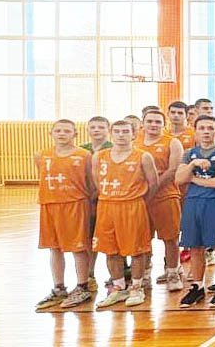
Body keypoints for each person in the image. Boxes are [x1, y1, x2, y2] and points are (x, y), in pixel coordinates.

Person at [93, 121, 158, 308]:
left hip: (132, 206)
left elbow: (153, 183)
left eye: (125, 131)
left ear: (133, 134)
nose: (121, 135)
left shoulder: (143, 156)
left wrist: (137, 200)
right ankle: (119, 287)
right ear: (111, 134)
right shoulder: (99, 156)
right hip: (107, 206)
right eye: (117, 131)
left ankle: (136, 287)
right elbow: (96, 181)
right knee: (110, 249)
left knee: (136, 249)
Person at [174, 115, 215, 308]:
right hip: (193, 203)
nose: (206, 131)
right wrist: (193, 165)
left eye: (210, 128)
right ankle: (197, 286)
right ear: (196, 131)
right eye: (202, 128)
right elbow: (179, 179)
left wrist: (193, 178)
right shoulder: (189, 154)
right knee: (195, 246)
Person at [35, 120, 96, 310]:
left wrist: (89, 205)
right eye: (58, 130)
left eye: (67, 131)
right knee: (54, 248)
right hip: (49, 204)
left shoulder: (84, 155)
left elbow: (92, 183)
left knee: (79, 247)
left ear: (75, 134)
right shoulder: (42, 155)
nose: (62, 134)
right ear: (51, 133)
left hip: (75, 204)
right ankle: (59, 288)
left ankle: (82, 286)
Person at [136, 110, 185, 291]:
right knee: (142, 238)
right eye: (150, 121)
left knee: (170, 238)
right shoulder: (135, 142)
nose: (153, 125)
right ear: (143, 123)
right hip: (141, 197)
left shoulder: (172, 142)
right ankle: (145, 273)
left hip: (166, 195)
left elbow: (173, 170)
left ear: (164, 124)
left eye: (158, 121)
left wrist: (153, 187)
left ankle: (172, 272)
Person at [81, 116, 112, 292]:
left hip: (107, 199)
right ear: (87, 130)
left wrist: (98, 192)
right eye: (93, 127)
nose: (96, 130)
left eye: (101, 127)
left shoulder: (113, 148)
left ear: (108, 129)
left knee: (110, 237)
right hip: (86, 201)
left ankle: (119, 273)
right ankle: (89, 274)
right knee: (89, 237)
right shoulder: (81, 150)